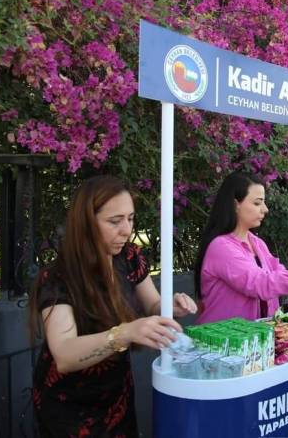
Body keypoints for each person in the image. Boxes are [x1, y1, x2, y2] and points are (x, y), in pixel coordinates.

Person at [28, 176, 198, 437]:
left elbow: (151, 303)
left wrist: (170, 305)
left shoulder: (128, 257)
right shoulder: (58, 277)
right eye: (114, 221)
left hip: (117, 395)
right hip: (69, 407)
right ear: (85, 223)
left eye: (130, 219)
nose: (126, 230)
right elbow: (64, 354)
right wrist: (125, 332)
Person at [194, 171, 288, 323]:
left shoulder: (257, 243)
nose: (265, 209)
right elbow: (261, 284)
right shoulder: (221, 247)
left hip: (256, 339)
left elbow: (279, 277)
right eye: (257, 203)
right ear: (235, 205)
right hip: (223, 342)